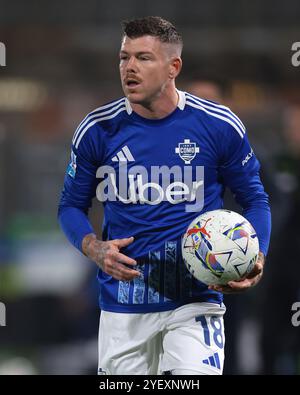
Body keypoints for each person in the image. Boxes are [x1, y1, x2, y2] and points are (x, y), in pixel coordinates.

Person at [58, 16, 271, 375]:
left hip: (194, 301)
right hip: (123, 306)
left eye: (143, 58)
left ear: (173, 67)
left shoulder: (218, 125)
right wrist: (94, 248)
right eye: (124, 57)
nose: (129, 67)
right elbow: (70, 207)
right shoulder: (97, 129)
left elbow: (256, 200)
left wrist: (258, 255)